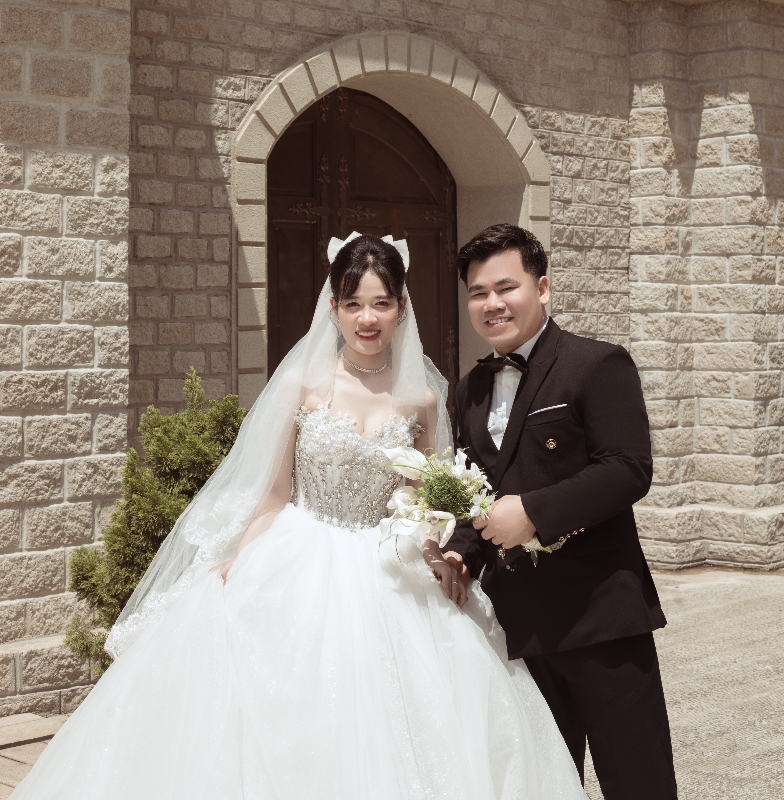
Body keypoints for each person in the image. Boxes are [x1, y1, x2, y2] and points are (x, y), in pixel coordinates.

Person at [12, 233, 586, 800]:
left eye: (381, 303)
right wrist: (240, 557)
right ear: (333, 306)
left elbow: (420, 501)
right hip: (303, 553)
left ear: (401, 307)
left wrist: (438, 553)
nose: (367, 318)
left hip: (389, 565)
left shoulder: (422, 399)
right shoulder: (303, 384)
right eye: (353, 303)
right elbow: (273, 494)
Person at [444, 224, 678, 800]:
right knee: (545, 786)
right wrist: (460, 554)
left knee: (638, 784)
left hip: (602, 619)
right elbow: (475, 495)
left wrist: (533, 512)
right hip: (518, 627)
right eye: (478, 292)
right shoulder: (467, 391)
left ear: (542, 288)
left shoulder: (597, 364)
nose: (492, 303)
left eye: (507, 287)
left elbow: (628, 468)